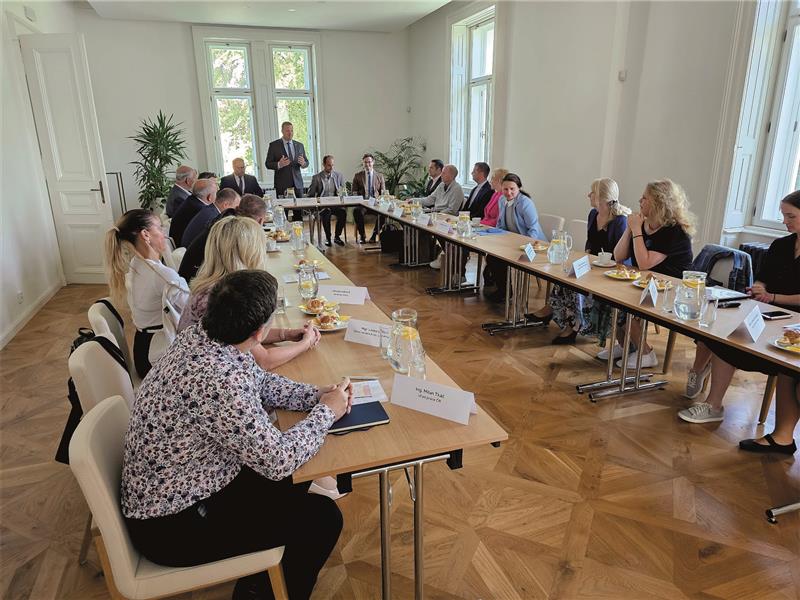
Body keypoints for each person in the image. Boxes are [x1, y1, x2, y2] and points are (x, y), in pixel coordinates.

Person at [121, 269, 349, 600]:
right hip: (173, 525)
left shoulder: (204, 336)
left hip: (186, 486)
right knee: (323, 519)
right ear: (259, 332)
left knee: (291, 484)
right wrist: (328, 412)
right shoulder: (217, 381)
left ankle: (260, 580)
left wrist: (317, 394)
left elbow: (259, 381)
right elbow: (278, 460)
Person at [679, 190, 800, 426]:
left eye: (790, 216)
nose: (784, 221)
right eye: (783, 215)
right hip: (767, 312)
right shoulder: (781, 245)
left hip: (792, 324)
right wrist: (758, 287)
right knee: (725, 338)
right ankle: (714, 405)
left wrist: (772, 296)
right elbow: (763, 277)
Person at [177, 216, 321, 370]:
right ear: (249, 253)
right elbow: (263, 360)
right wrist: (305, 344)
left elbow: (245, 333)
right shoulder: (223, 298)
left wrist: (285, 334)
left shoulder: (218, 286)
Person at [527, 178, 631, 344]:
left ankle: (572, 327)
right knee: (566, 276)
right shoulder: (593, 214)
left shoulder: (619, 221)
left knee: (576, 286)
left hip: (612, 271)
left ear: (602, 197)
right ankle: (550, 310)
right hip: (594, 265)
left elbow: (621, 256)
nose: (588, 195)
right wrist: (586, 258)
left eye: (592, 192)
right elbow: (591, 242)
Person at [607, 179, 695, 368]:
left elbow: (644, 263)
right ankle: (626, 346)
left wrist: (637, 229)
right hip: (648, 284)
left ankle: (646, 353)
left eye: (644, 198)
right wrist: (630, 229)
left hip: (673, 290)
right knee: (608, 296)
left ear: (658, 203)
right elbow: (618, 256)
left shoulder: (674, 232)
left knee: (624, 305)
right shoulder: (644, 224)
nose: (640, 201)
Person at [104, 209, 189, 379]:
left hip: (143, 351)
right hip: (158, 355)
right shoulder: (161, 275)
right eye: (159, 227)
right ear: (145, 234)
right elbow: (192, 312)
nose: (164, 234)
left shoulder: (135, 266)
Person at [484, 174, 546, 303]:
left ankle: (505, 291)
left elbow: (533, 229)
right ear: (501, 188)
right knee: (492, 256)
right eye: (505, 189)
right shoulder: (501, 200)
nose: (509, 192)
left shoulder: (525, 202)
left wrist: (526, 246)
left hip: (533, 245)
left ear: (519, 188)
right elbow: (500, 223)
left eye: (512, 189)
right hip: (512, 242)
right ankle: (504, 290)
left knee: (499, 259)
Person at [179, 194, 267, 282]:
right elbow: (236, 271)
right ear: (260, 221)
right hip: (196, 281)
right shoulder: (231, 231)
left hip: (192, 277)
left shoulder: (226, 220)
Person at [266, 121, 307, 221]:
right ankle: (284, 235)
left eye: (292, 130)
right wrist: (279, 164)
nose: (290, 133)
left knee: (298, 215)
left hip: (297, 185)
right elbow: (268, 164)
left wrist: (303, 163)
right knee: (282, 214)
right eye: (288, 131)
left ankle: (298, 235)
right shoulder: (274, 145)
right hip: (282, 185)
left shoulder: (299, 145)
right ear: (282, 131)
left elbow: (306, 162)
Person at [308, 155, 346, 246]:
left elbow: (343, 191)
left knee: (342, 213)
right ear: (324, 165)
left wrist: (343, 194)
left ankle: (337, 237)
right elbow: (311, 194)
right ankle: (328, 238)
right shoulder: (316, 177)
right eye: (329, 165)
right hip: (322, 205)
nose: (331, 168)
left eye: (333, 165)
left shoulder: (339, 176)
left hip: (335, 203)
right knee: (327, 213)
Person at [169, 179, 217, 247]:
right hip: (184, 248)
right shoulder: (201, 210)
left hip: (179, 245)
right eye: (216, 193)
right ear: (209, 197)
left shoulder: (191, 200)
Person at [352, 153, 387, 243]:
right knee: (357, 211)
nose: (367, 164)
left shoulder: (380, 176)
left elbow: (383, 193)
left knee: (384, 214)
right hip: (363, 204)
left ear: (373, 162)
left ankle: (374, 234)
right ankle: (362, 235)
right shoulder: (358, 176)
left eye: (369, 162)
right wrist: (359, 200)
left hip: (375, 204)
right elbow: (354, 192)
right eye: (365, 162)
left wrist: (379, 200)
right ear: (363, 163)